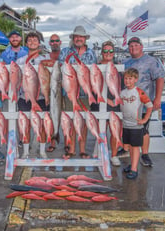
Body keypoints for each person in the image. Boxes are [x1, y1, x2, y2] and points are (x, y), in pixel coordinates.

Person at [123, 37, 165, 167]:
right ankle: (128, 153)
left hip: (143, 102)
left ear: (141, 47)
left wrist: (157, 98)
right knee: (129, 129)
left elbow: (159, 78)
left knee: (143, 130)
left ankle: (145, 154)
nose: (133, 48)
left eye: (136, 45)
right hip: (128, 103)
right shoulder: (125, 62)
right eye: (130, 46)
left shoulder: (151, 61)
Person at [59, 25, 97, 159]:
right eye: (76, 36)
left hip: (85, 94)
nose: (79, 39)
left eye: (81, 36)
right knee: (69, 121)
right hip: (69, 92)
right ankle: (71, 149)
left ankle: (82, 149)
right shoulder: (65, 52)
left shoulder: (91, 53)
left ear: (85, 38)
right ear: (73, 38)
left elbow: (94, 73)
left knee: (84, 122)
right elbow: (60, 68)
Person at [16, 31, 50, 158]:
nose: (32, 42)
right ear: (26, 43)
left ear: (39, 43)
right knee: (25, 124)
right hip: (24, 96)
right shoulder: (20, 60)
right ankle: (25, 151)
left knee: (42, 123)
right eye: (29, 40)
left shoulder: (44, 60)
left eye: (35, 40)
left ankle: (42, 150)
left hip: (40, 97)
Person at [117, 68, 153, 179]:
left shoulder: (139, 92)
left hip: (136, 126)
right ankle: (132, 164)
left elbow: (149, 106)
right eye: (126, 78)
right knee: (130, 147)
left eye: (130, 78)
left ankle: (134, 169)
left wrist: (145, 119)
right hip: (126, 125)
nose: (127, 81)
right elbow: (115, 103)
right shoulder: (122, 92)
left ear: (135, 79)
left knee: (136, 147)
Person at [98, 41, 125, 166]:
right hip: (99, 102)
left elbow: (123, 86)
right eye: (105, 51)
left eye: (110, 51)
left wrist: (116, 99)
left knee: (114, 130)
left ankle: (113, 155)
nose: (108, 53)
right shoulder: (96, 67)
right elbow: (93, 88)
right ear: (102, 52)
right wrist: (106, 99)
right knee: (101, 129)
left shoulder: (118, 68)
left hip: (115, 103)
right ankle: (100, 154)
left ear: (113, 53)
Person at [0, 30, 28, 149]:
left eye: (16, 37)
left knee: (22, 114)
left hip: (23, 88)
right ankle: (12, 140)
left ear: (20, 39)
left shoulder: (26, 52)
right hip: (9, 89)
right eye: (12, 37)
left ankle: (22, 138)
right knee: (10, 114)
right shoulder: (4, 53)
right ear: (9, 40)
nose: (14, 39)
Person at [46, 33, 62, 153]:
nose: (54, 43)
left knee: (66, 117)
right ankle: (52, 140)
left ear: (60, 42)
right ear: (49, 43)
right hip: (49, 90)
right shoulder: (46, 56)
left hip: (63, 90)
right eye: (52, 41)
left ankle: (67, 143)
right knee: (51, 115)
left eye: (56, 41)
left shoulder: (64, 55)